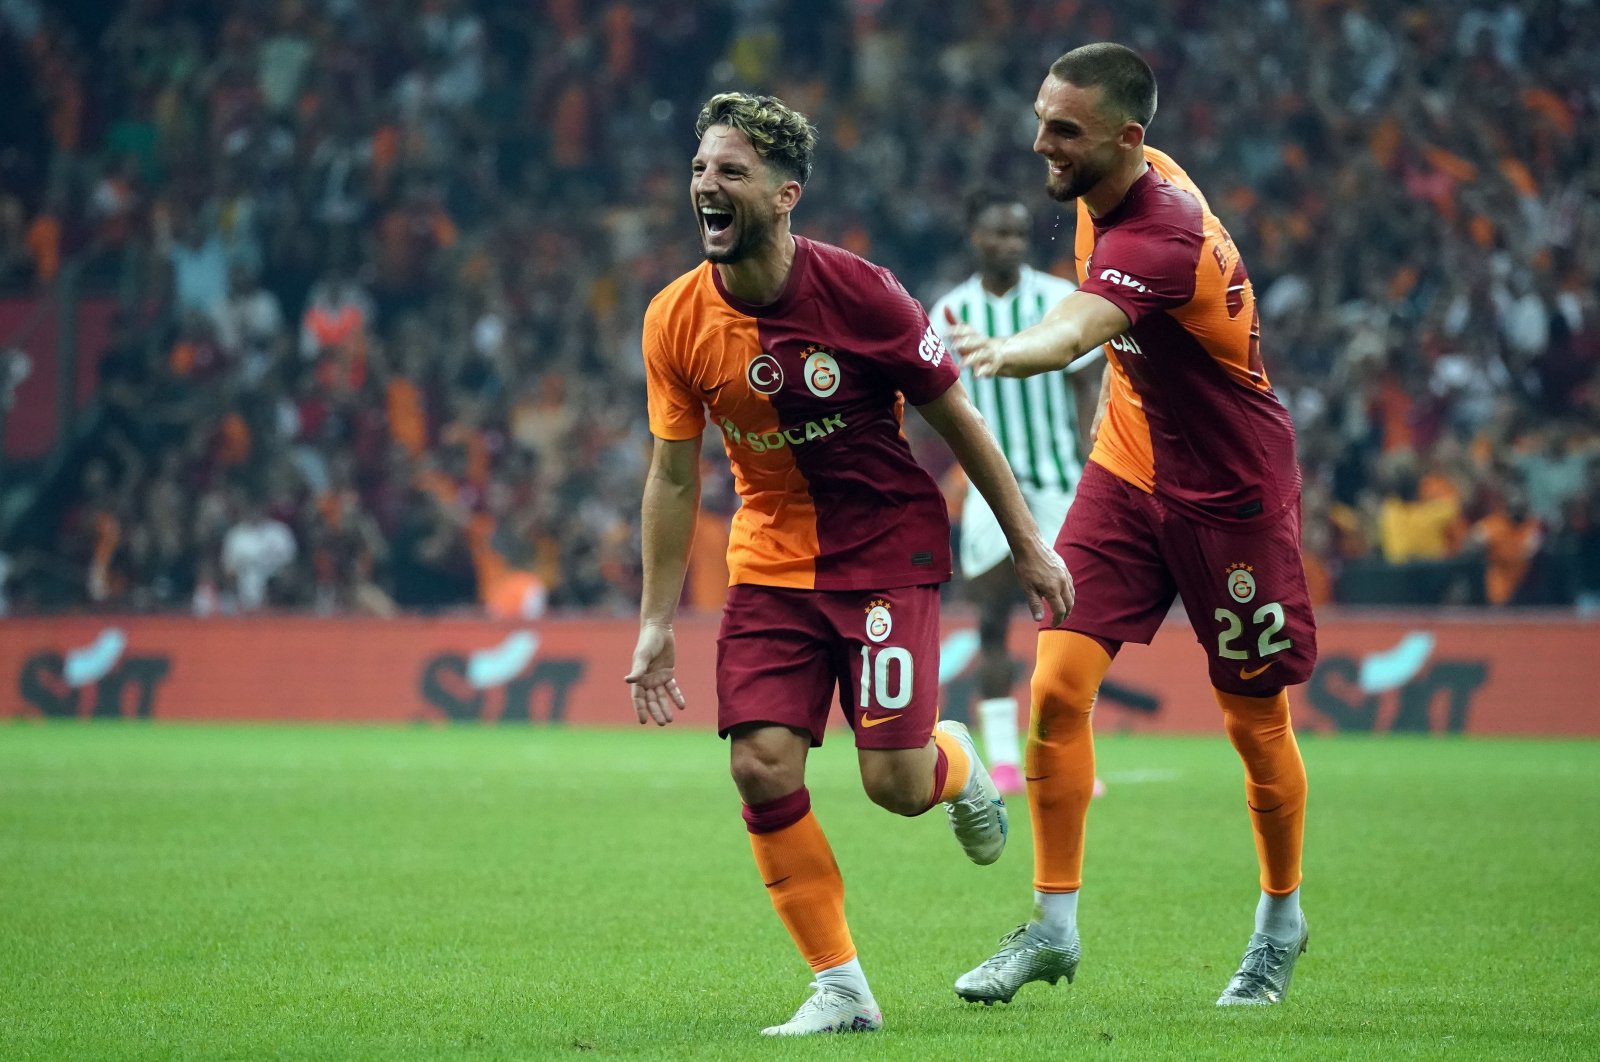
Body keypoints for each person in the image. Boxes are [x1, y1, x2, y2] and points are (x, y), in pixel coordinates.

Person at [626, 91, 1073, 1037]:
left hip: (883, 557)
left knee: (896, 788)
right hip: (770, 563)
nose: (707, 184)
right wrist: (657, 622)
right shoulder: (673, 319)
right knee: (758, 763)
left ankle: (955, 761)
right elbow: (671, 477)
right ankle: (841, 987)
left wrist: (1030, 545)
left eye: (731, 171)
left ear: (786, 194)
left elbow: (958, 417)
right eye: (702, 168)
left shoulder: (864, 292)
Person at [946, 43, 1317, 1008]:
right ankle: (1053, 928)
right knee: (1057, 686)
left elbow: (1071, 335)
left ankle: (1280, 919)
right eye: (1041, 119)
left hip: (1230, 496)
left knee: (1254, 721)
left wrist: (1002, 352)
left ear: (1129, 137)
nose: (1041, 145)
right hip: (1127, 466)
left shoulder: (1162, 234)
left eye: (1063, 130)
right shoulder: (1101, 186)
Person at [929, 187, 1102, 794]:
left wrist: (1093, 469)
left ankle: (1070, 756)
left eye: (1018, 234)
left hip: (1059, 483)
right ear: (974, 235)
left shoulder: (1059, 302)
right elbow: (935, 407)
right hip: (987, 493)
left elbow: (1088, 393)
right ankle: (1003, 760)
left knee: (1075, 628)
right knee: (993, 622)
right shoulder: (948, 315)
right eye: (996, 232)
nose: (1008, 243)